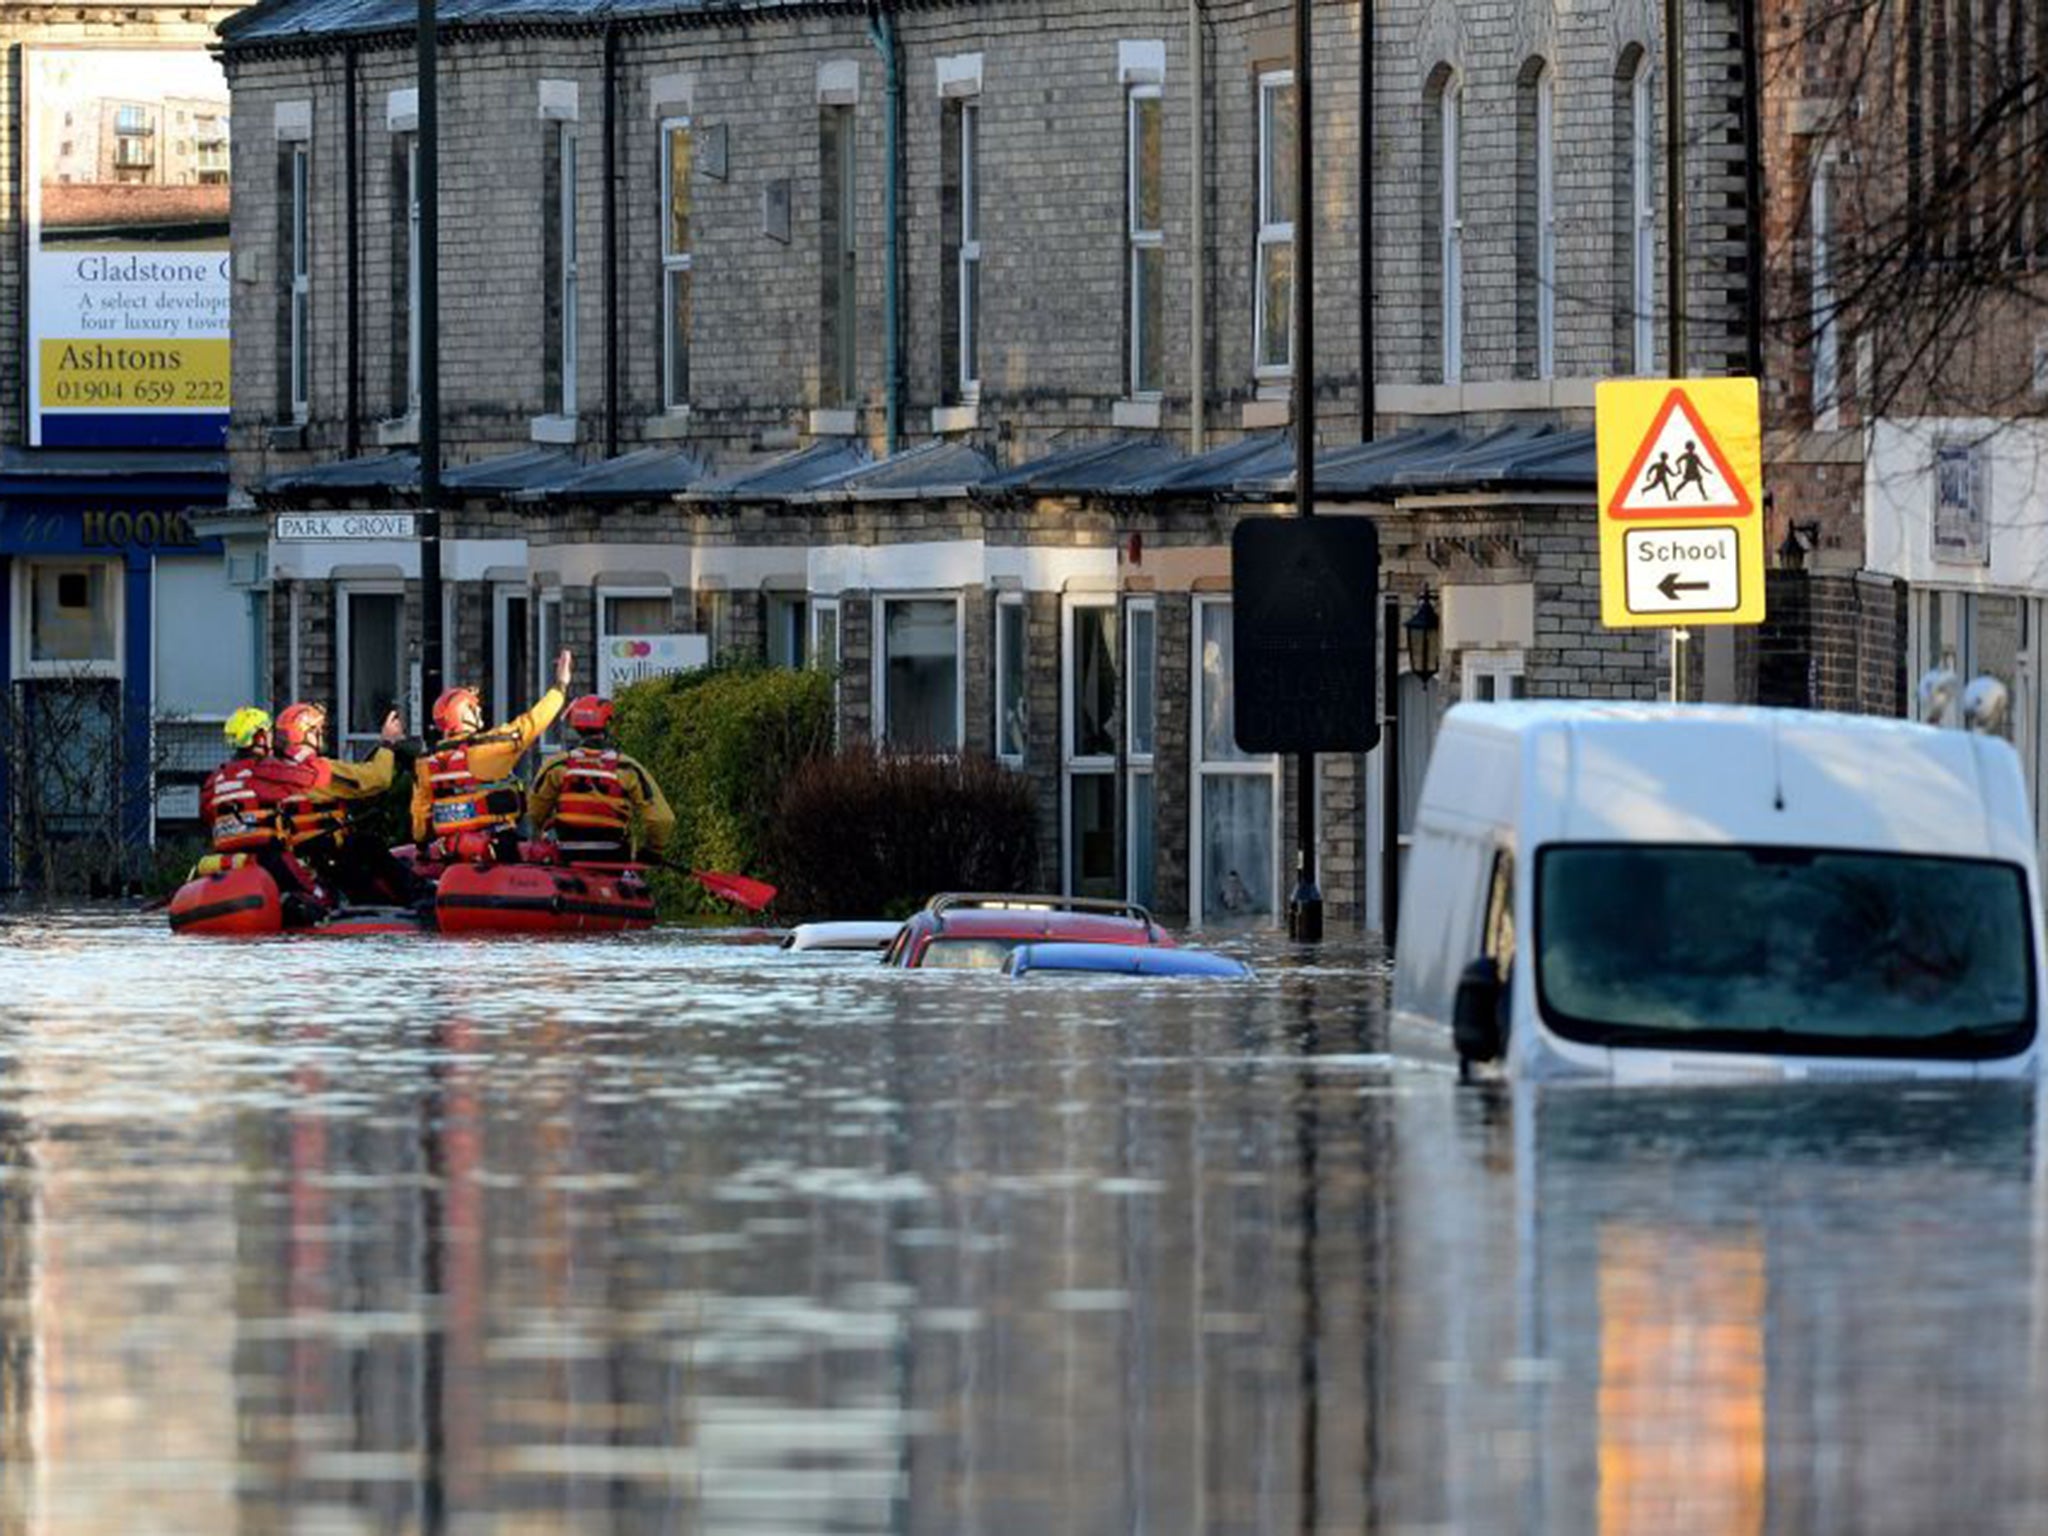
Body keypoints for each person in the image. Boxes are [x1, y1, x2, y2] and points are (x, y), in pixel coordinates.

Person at [414, 649, 575, 863]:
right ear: (464, 713)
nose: (480, 711)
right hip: (496, 848)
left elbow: (420, 821)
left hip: (452, 854)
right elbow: (532, 723)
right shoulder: (486, 750)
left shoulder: (426, 763)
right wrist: (560, 687)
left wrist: (422, 848)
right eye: (474, 708)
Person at [263, 701, 424, 907]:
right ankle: (415, 898)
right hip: (327, 855)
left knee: (361, 845)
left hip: (297, 855)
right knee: (368, 845)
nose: (322, 735)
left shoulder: (274, 773)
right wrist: (387, 744)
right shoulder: (316, 771)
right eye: (318, 731)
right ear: (306, 733)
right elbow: (378, 779)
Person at [199, 706, 330, 923]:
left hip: (227, 857)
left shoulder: (215, 779)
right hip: (269, 855)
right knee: (315, 895)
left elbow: (206, 814)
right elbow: (314, 780)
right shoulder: (267, 771)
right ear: (259, 737)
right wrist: (313, 759)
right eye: (268, 733)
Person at [529, 694, 676, 863]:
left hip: (567, 855)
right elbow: (662, 819)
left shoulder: (558, 765)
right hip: (612, 857)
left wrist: (546, 826)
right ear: (607, 724)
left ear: (576, 726)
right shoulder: (627, 768)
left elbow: (535, 811)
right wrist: (653, 850)